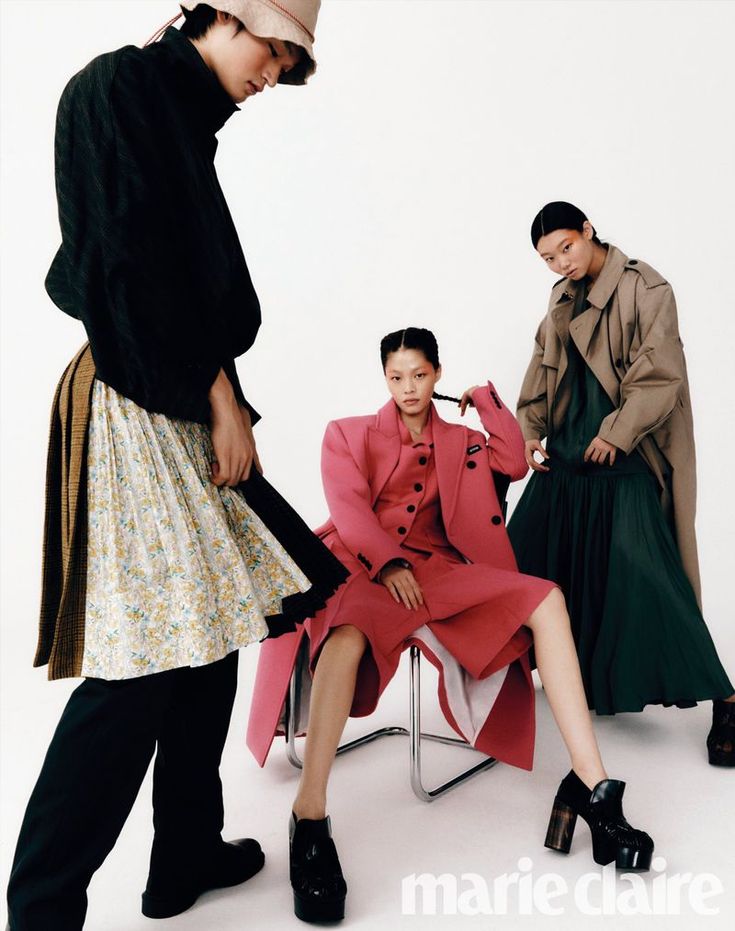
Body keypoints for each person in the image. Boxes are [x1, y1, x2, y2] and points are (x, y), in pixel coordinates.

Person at [5, 3, 349, 930]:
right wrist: (222, 397)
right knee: (146, 659)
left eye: (289, 58)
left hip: (183, 393)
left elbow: (179, 275)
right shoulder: (121, 88)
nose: (275, 71)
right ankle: (40, 907)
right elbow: (126, 263)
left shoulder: (176, 109)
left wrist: (222, 394)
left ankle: (186, 851)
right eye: (271, 47)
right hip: (139, 393)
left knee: (215, 623)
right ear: (220, 14)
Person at [247, 327, 656, 925]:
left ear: (436, 374)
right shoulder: (347, 433)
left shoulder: (463, 439)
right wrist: (386, 562)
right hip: (360, 564)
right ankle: (310, 818)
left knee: (546, 599)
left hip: (438, 570)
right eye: (396, 376)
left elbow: (514, 460)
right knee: (346, 638)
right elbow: (347, 510)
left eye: (419, 375)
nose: (408, 387)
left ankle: (594, 790)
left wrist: (486, 401)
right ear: (383, 377)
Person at [506, 200, 735, 765]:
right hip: (570, 449)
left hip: (627, 451)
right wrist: (528, 429)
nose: (560, 262)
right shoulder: (560, 297)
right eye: (547, 257)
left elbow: (661, 375)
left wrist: (619, 432)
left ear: (588, 231)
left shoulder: (647, 288)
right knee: (523, 554)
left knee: (649, 572)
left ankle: (726, 699)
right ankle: (553, 672)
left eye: (567, 247)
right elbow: (542, 366)